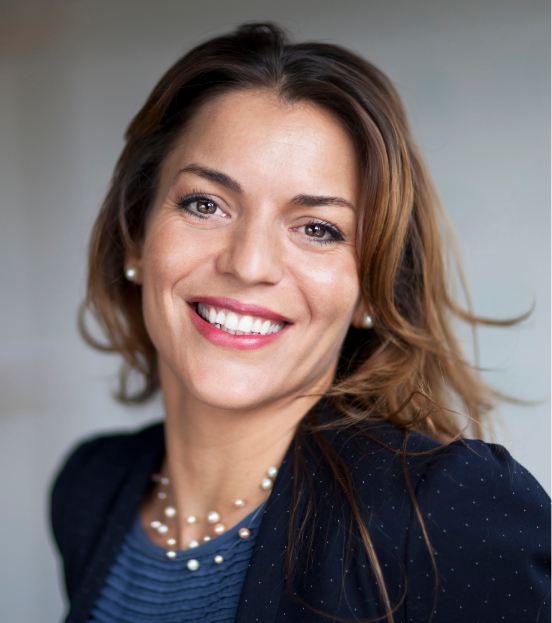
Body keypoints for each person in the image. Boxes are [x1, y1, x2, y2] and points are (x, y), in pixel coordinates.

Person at [50, 22, 552, 623]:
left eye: (318, 228)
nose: (248, 263)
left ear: (371, 288)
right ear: (135, 236)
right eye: (205, 203)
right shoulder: (89, 489)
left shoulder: (448, 511)